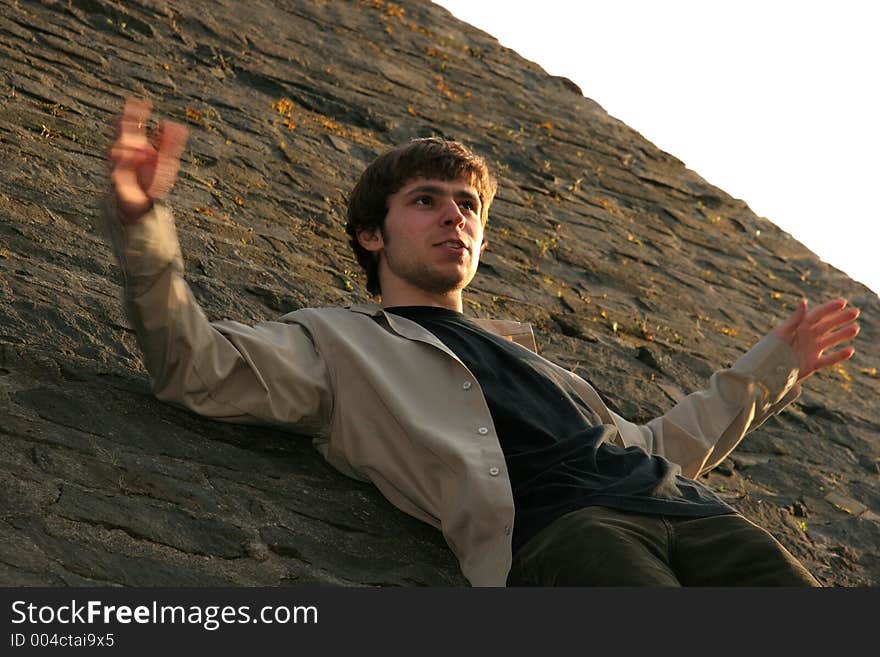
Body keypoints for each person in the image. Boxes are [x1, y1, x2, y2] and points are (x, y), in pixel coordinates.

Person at [105, 98, 860, 587]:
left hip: (699, 516)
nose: (454, 218)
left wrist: (773, 364)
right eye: (426, 202)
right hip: (572, 539)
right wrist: (145, 226)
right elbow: (194, 368)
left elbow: (657, 442)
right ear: (372, 234)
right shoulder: (336, 341)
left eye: (467, 206)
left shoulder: (533, 356)